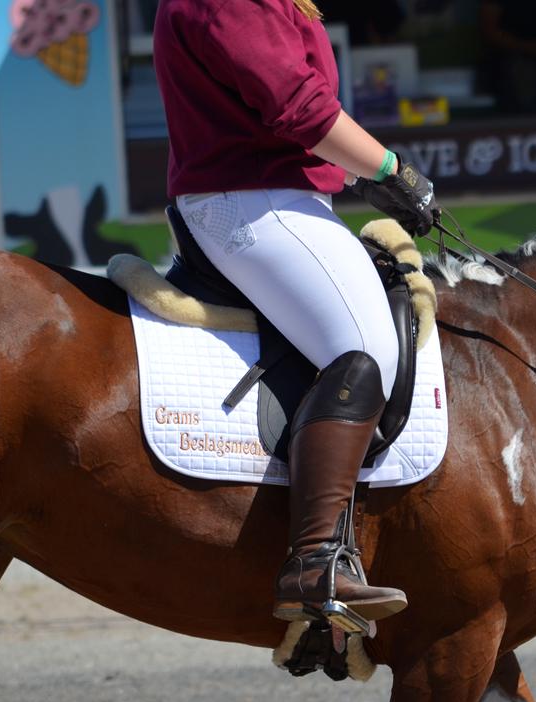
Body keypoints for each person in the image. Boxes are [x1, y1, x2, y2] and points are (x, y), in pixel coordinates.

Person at [153, 0, 435, 625]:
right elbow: (298, 107)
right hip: (252, 200)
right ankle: (315, 562)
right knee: (366, 349)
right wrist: (390, 170)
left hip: (279, 195)